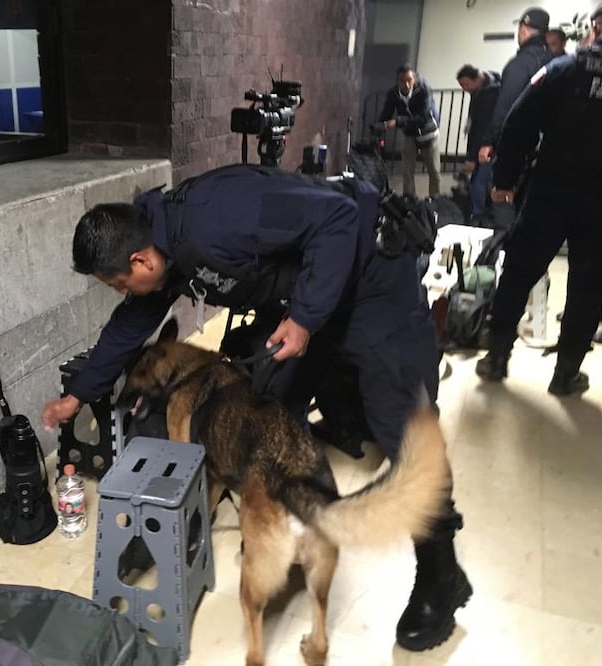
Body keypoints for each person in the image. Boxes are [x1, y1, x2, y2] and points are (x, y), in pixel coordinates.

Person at [41, 163, 472, 651]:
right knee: (268, 405)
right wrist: (77, 395)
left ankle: (442, 573)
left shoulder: (216, 218)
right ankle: (284, 527)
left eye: (119, 284)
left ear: (141, 261)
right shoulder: (164, 248)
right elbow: (129, 324)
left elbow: (338, 217)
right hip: (311, 282)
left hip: (370, 270)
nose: (123, 293)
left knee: (403, 425)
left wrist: (305, 319)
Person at [476, 0, 602, 395]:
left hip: (551, 192)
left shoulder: (566, 68)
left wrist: (504, 179)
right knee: (588, 287)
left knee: (520, 271)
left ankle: (496, 358)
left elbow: (519, 122)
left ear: (595, 28)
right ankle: (565, 374)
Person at [478, 7, 551, 166]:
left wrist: (488, 141)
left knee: (496, 188)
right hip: (543, 143)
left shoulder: (519, 65)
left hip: (514, 145)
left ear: (523, 29)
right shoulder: (553, 62)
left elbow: (505, 106)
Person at [378, 65, 442, 198]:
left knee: (434, 171)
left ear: (415, 79)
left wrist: (398, 122)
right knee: (407, 171)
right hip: (410, 135)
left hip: (429, 134)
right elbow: (386, 114)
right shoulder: (394, 93)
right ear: (397, 81)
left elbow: (423, 117)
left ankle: (435, 201)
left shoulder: (424, 90)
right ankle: (409, 199)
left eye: (409, 80)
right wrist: (380, 126)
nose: (406, 84)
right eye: (402, 81)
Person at [456, 65, 502, 224]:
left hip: (487, 147)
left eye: (466, 84)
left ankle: (478, 215)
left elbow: (481, 128)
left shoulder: (488, 95)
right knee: (486, 181)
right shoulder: (485, 89)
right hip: (489, 144)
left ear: (477, 79)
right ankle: (487, 213)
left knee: (479, 183)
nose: (464, 89)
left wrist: (472, 157)